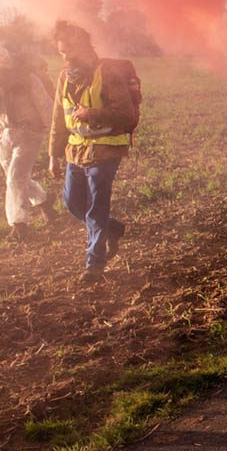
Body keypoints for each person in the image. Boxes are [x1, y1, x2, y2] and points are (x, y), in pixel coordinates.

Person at [48, 21, 137, 285]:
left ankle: (94, 265)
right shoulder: (64, 77)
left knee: (96, 207)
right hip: (76, 151)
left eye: (68, 52)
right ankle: (113, 228)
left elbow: (127, 116)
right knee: (73, 203)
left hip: (106, 150)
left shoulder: (107, 73)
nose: (64, 58)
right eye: (61, 52)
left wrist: (92, 114)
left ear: (83, 47)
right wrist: (54, 154)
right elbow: (57, 118)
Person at [0, 42, 56, 240]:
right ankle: (43, 201)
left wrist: (55, 134)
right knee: (15, 176)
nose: (2, 64)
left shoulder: (28, 78)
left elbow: (45, 105)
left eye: (5, 59)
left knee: (15, 177)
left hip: (29, 134)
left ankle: (19, 224)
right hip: (4, 135)